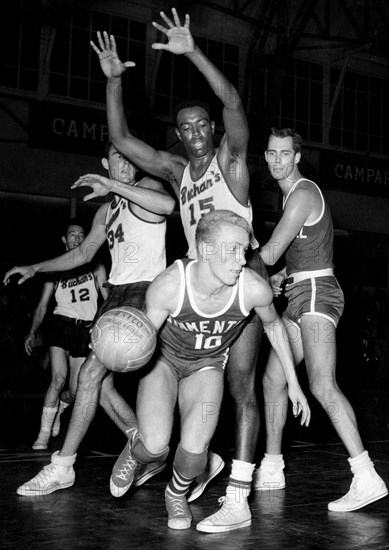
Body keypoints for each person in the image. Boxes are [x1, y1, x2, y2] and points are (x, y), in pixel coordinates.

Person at [91, 8, 270, 529]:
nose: (193, 133)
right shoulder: (175, 172)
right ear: (179, 134)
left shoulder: (230, 165)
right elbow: (123, 141)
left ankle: (238, 492)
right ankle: (163, 454)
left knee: (240, 390)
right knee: (162, 381)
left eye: (201, 126)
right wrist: (113, 84)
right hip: (193, 287)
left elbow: (234, 102)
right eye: (185, 128)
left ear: (212, 130)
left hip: (238, 280)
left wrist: (191, 50)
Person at [111, 209, 310, 530]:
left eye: (244, 250)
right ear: (204, 251)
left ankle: (175, 495)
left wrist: (294, 382)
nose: (241, 260)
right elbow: (144, 342)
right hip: (164, 363)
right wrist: (117, 349)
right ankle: (137, 452)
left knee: (194, 451)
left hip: (206, 367)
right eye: (231, 250)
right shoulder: (169, 285)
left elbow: (274, 326)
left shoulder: (252, 288)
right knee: (154, 444)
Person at [4, 143, 176, 495]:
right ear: (105, 163)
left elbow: (168, 206)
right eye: (118, 160)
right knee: (99, 385)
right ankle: (148, 446)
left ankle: (63, 465)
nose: (126, 166)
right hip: (116, 294)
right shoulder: (105, 213)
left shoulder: (149, 187)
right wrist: (36, 267)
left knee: (92, 376)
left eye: (131, 159)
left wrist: (114, 186)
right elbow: (83, 253)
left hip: (146, 290)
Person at [256, 127, 388, 512]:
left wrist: (232, 247)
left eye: (284, 154)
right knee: (272, 379)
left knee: (321, 384)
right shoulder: (289, 195)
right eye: (271, 153)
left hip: (316, 294)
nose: (277, 160)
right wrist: (284, 275)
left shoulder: (302, 193)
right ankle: (272, 466)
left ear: (297, 157)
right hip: (301, 291)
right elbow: (299, 253)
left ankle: (366, 476)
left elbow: (268, 253)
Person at [24, 220, 108, 450]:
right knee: (58, 378)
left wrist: (103, 321)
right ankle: (42, 435)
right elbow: (42, 306)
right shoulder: (55, 269)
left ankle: (61, 406)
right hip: (61, 325)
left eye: (82, 235)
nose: (77, 239)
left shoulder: (96, 266)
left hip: (85, 329)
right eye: (72, 235)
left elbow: (107, 298)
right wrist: (32, 332)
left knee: (74, 390)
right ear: (64, 239)